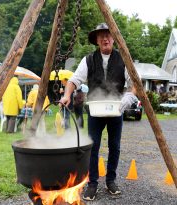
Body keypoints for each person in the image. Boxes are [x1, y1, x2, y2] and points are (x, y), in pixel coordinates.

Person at [59, 23, 137, 201]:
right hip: (95, 111)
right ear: (96, 40)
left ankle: (111, 181)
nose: (105, 38)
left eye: (108, 35)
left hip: (116, 111)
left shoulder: (123, 59)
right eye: (101, 36)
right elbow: (74, 80)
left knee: (115, 147)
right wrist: (66, 95)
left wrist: (128, 98)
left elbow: (135, 84)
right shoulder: (88, 60)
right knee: (92, 148)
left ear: (114, 38)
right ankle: (92, 183)